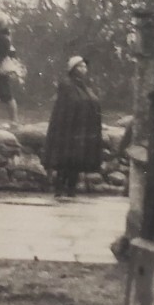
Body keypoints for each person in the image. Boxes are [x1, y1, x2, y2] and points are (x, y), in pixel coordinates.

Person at [42, 55, 103, 199]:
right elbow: (69, 105)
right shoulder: (67, 85)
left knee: (76, 161)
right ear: (73, 69)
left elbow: (91, 102)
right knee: (65, 161)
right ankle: (59, 189)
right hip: (68, 130)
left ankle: (71, 190)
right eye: (80, 66)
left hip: (81, 130)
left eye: (84, 67)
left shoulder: (85, 86)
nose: (83, 69)